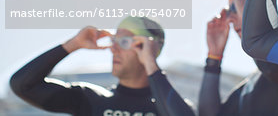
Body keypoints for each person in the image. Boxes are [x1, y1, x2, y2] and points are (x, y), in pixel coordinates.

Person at [10, 16, 195, 116]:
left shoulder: (174, 109)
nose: (114, 49)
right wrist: (72, 45)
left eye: (124, 42)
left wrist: (150, 63)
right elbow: (23, 85)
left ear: (149, 49)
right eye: (114, 40)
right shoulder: (90, 98)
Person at [198, 0, 278, 116]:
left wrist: (253, 25)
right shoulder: (252, 82)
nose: (230, 19)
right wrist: (214, 57)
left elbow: (275, 71)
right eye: (228, 12)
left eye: (236, 8)